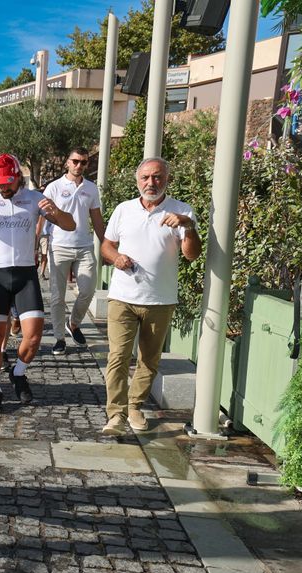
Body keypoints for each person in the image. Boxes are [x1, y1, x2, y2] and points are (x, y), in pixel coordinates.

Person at [0, 153, 74, 412]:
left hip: (25, 275)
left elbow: (70, 225)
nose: (4, 187)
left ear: (18, 177)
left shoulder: (33, 199)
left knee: (33, 337)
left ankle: (19, 374)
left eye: (8, 182)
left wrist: (57, 212)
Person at [100, 157, 201, 435]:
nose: (151, 183)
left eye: (157, 177)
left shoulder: (182, 211)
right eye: (145, 177)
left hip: (160, 299)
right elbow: (106, 246)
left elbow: (192, 255)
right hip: (122, 297)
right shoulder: (124, 210)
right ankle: (116, 415)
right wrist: (116, 257)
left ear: (167, 179)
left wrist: (188, 226)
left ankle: (135, 406)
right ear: (137, 180)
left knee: (149, 359)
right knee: (117, 356)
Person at [40, 147, 106, 356]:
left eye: (83, 162)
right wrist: (36, 243)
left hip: (85, 246)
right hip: (59, 246)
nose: (79, 166)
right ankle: (59, 338)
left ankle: (74, 323)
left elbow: (96, 218)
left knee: (88, 290)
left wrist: (106, 245)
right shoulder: (54, 187)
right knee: (58, 297)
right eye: (75, 161)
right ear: (67, 162)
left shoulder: (91, 188)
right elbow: (41, 216)